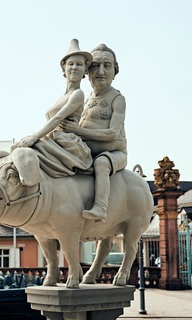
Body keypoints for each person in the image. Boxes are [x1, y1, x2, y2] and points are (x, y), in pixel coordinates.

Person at [60, 44, 127, 222]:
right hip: (86, 153)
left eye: (107, 65)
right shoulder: (85, 98)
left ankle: (100, 208)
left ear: (115, 70)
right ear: (87, 72)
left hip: (114, 154)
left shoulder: (117, 99)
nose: (101, 71)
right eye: (95, 66)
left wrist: (77, 131)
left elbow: (113, 133)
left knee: (101, 164)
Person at [12, 39, 93, 177]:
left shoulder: (78, 94)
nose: (74, 67)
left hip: (65, 142)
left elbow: (58, 117)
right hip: (53, 139)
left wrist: (34, 137)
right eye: (71, 64)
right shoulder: (62, 97)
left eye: (79, 64)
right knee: (16, 147)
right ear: (64, 68)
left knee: (24, 151)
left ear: (85, 70)